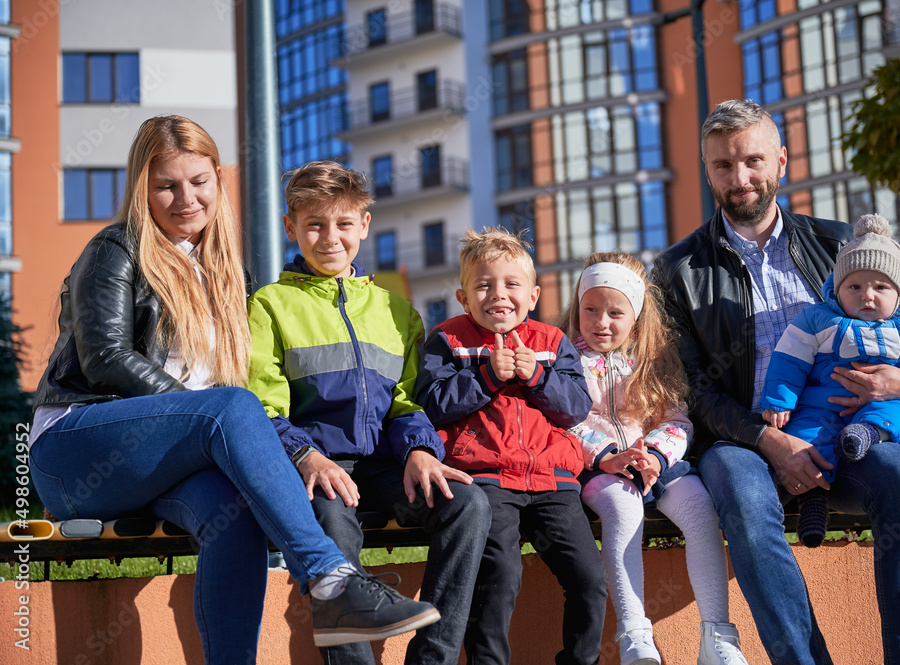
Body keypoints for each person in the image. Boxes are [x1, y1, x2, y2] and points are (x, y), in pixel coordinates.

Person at [26, 116, 438, 664]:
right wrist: (202, 414)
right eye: (165, 185)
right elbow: (105, 360)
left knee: (235, 513)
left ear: (218, 180)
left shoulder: (228, 275)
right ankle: (334, 582)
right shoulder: (116, 249)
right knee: (228, 407)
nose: (184, 198)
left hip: (168, 461)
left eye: (198, 181)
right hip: (78, 450)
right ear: (141, 188)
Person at [652, 99, 900, 664]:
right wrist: (767, 440)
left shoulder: (842, 246)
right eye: (723, 166)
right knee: (741, 491)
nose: (740, 180)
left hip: (850, 429)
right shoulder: (677, 272)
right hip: (738, 442)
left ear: (781, 160)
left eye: (753, 161)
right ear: (707, 170)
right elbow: (690, 389)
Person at [246, 161, 490, 665]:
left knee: (468, 505)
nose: (329, 238)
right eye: (314, 224)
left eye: (342, 224)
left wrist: (421, 450)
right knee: (333, 526)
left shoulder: (397, 311)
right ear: (291, 227)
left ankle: (433, 659)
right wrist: (306, 458)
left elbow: (406, 401)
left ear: (364, 225)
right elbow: (260, 406)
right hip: (312, 467)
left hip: (384, 467)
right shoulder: (268, 306)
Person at [415, 227, 607, 665]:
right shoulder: (448, 340)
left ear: (534, 295)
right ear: (464, 298)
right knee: (499, 578)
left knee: (589, 580)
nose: (497, 294)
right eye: (483, 285)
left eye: (511, 284)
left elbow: (576, 407)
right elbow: (431, 404)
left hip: (553, 483)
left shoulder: (552, 342)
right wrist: (486, 377)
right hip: (486, 480)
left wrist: (537, 376)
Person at [558, 251, 750, 665]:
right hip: (600, 468)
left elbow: (678, 418)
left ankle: (717, 635)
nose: (601, 322)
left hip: (658, 462)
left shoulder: (653, 362)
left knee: (699, 506)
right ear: (577, 307)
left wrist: (658, 457)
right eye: (590, 309)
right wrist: (607, 454)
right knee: (624, 508)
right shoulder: (566, 360)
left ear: (637, 316)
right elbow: (563, 420)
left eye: (614, 313)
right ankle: (634, 633)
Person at [760, 213, 900, 546]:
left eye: (880, 287)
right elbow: (790, 358)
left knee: (899, 415)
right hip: (823, 404)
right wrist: (779, 402)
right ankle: (812, 500)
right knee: (808, 437)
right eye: (854, 287)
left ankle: (869, 433)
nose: (866, 296)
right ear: (837, 289)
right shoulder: (819, 318)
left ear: (899, 292)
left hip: (887, 403)